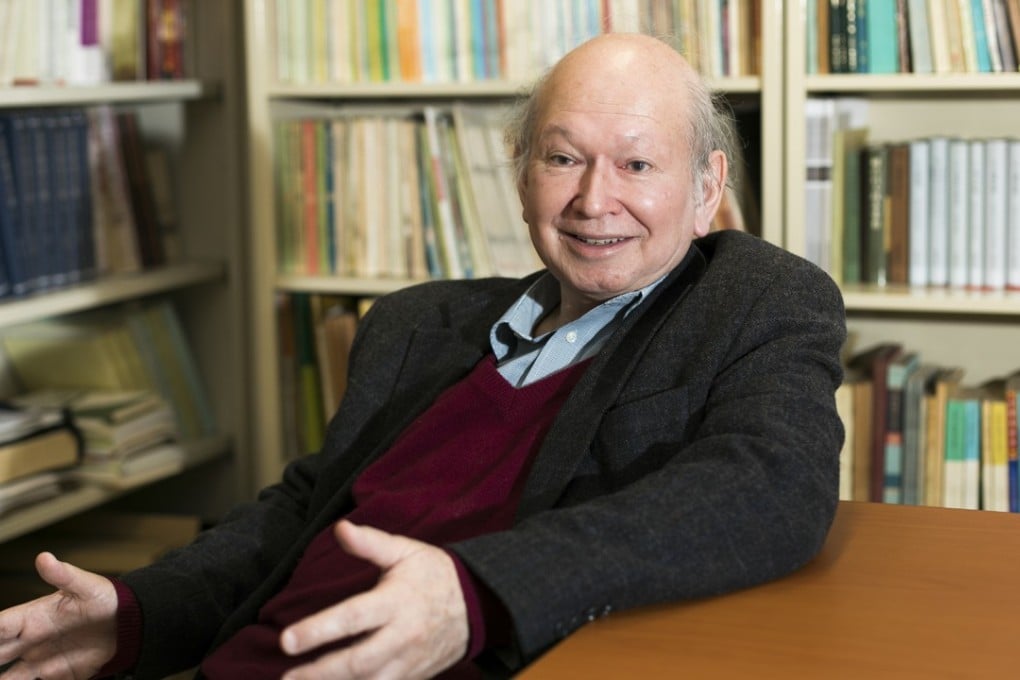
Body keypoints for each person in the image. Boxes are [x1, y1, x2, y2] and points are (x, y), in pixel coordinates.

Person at [0, 32, 845, 680]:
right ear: (521, 175)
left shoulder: (753, 300)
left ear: (706, 189)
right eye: (562, 158)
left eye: (637, 163)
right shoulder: (414, 325)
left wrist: (476, 592)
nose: (595, 199)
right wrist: (137, 611)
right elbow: (300, 516)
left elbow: (770, 484)